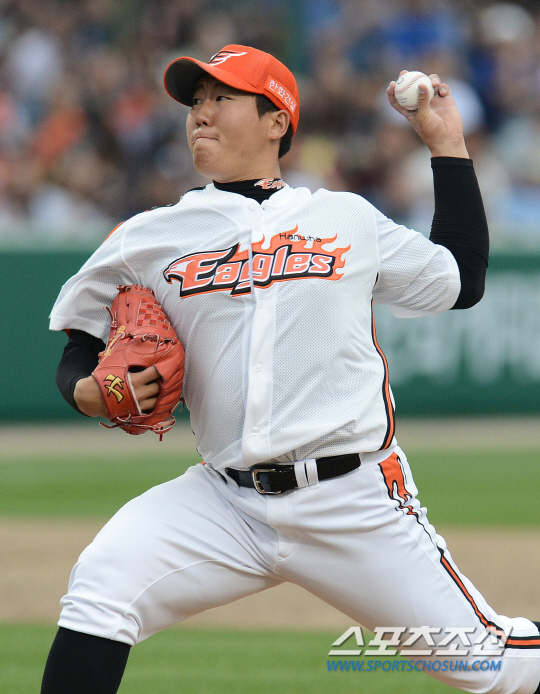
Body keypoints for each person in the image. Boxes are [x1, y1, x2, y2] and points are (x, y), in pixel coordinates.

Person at [42, 45, 540, 693]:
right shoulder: (149, 235)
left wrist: (445, 144)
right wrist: (84, 390)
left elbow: (461, 280)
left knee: (492, 665)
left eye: (222, 98)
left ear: (277, 121)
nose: (201, 113)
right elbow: (80, 343)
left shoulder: (344, 217)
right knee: (102, 588)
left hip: (351, 498)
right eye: (196, 101)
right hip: (224, 501)